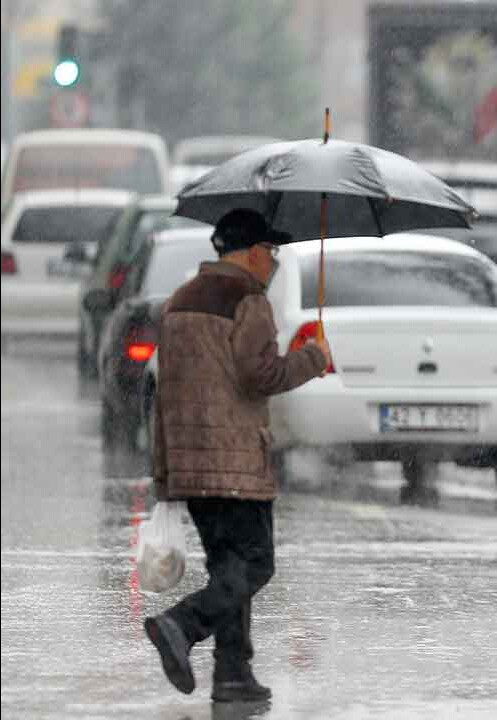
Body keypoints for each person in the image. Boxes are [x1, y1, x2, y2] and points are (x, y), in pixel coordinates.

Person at [144, 208, 331, 702]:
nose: (273, 263)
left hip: (187, 459)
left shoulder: (179, 300)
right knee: (255, 564)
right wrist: (313, 358)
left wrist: (164, 469)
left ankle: (233, 676)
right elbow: (261, 374)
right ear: (251, 253)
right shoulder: (248, 300)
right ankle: (180, 625)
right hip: (235, 460)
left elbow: (165, 387)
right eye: (270, 253)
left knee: (229, 567)